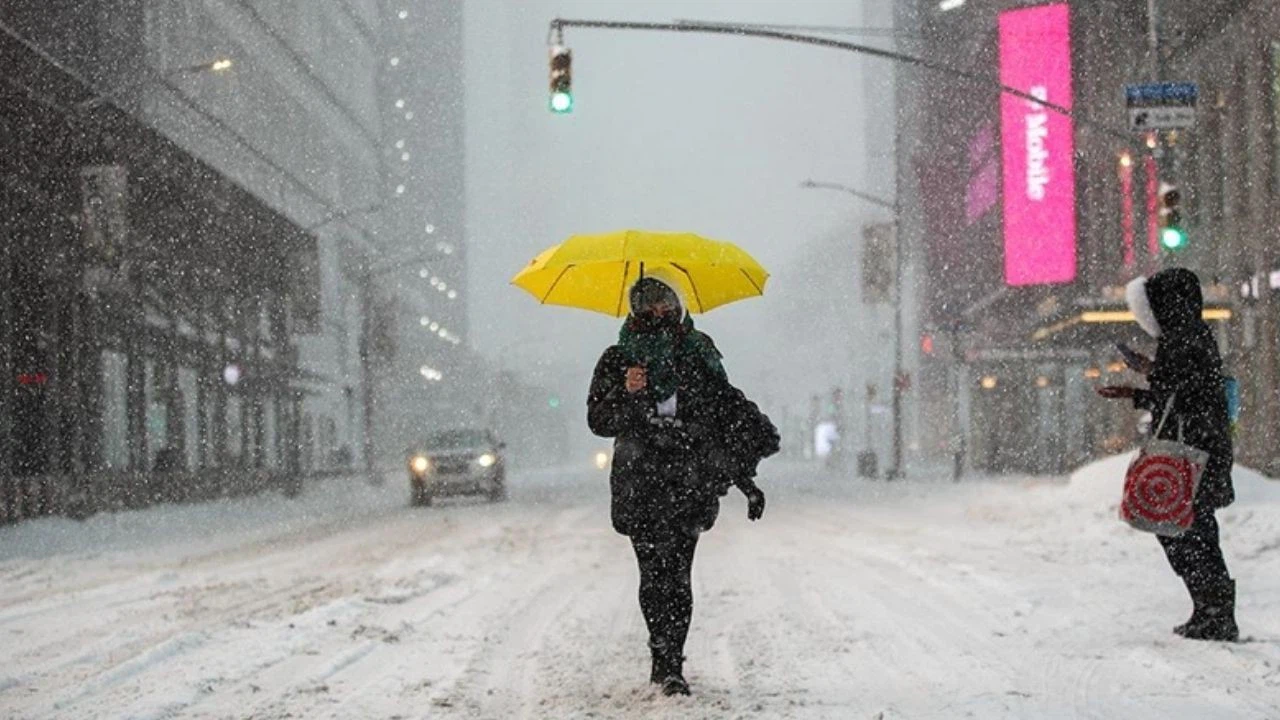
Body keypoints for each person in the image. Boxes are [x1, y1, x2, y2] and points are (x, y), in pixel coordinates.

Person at [587, 274, 779, 696]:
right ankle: (661, 656)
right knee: (653, 575)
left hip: (688, 481)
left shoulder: (698, 353)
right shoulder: (618, 359)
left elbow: (724, 412)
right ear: (636, 310)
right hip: (640, 483)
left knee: (678, 575)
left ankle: (673, 663)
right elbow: (599, 421)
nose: (661, 311)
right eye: (650, 304)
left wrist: (745, 475)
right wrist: (627, 391)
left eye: (666, 302)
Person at [1097, 268, 1238, 642]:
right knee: (1188, 529)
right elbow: (1184, 387)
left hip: (1193, 453)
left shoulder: (1185, 339)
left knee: (1187, 531)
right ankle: (1210, 608)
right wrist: (1148, 374)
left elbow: (1186, 396)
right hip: (1198, 450)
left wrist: (1138, 392)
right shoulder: (1188, 336)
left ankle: (1216, 612)